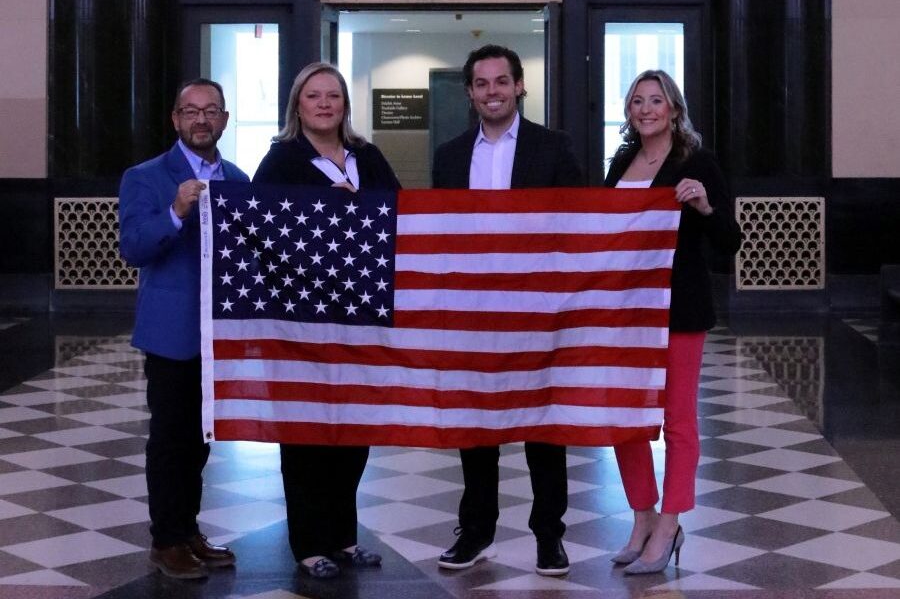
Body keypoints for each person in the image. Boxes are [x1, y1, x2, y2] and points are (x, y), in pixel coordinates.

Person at [432, 45, 584, 576]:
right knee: (476, 426)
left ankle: (549, 535)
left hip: (538, 310)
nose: (492, 91)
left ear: (520, 86)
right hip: (473, 312)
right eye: (481, 83)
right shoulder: (449, 156)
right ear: (469, 92)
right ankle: (475, 531)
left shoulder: (554, 148)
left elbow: (580, 228)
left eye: (502, 81)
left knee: (543, 423)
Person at [253, 62, 401, 579]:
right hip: (301, 319)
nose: (323, 104)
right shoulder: (280, 161)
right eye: (313, 95)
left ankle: (342, 536)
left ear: (344, 104)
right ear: (298, 104)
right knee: (307, 430)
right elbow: (259, 233)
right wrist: (320, 211)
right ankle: (309, 543)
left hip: (362, 314)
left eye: (333, 95)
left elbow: (398, 217)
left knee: (355, 427)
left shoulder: (369, 156)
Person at [604, 70, 741, 574]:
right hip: (623, 313)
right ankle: (641, 517)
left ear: (674, 109)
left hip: (678, 311)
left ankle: (669, 523)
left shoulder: (696, 161)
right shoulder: (622, 160)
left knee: (677, 421)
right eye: (637, 101)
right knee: (623, 418)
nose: (645, 109)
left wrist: (704, 206)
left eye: (655, 100)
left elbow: (730, 241)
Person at [119, 78, 249, 579]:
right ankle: (165, 539)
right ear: (175, 119)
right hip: (171, 332)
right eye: (191, 111)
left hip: (219, 336)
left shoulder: (238, 179)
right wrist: (175, 212)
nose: (201, 120)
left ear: (223, 119)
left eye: (211, 110)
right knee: (170, 438)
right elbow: (132, 248)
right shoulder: (145, 176)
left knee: (200, 441)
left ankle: (188, 528)